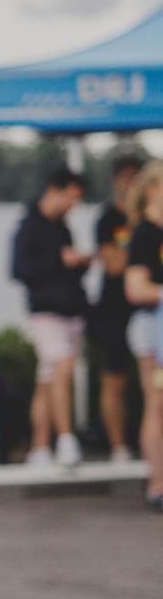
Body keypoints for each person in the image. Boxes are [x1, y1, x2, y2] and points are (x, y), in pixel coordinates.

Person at [10, 166, 92, 468]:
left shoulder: (62, 228)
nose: (73, 204)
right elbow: (19, 270)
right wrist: (60, 261)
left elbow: (67, 270)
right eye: (70, 197)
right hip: (45, 313)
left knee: (48, 382)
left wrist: (80, 264)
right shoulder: (28, 227)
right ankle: (67, 440)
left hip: (70, 311)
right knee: (63, 368)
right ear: (54, 191)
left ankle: (39, 447)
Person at [90, 152, 144, 461]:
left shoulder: (151, 219)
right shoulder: (107, 219)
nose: (131, 184)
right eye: (127, 178)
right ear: (116, 181)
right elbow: (113, 266)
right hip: (115, 309)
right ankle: (117, 445)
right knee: (115, 377)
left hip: (148, 308)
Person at [123, 159, 163, 511]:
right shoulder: (144, 234)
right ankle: (157, 484)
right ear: (152, 189)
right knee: (157, 404)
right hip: (153, 330)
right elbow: (135, 289)